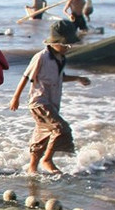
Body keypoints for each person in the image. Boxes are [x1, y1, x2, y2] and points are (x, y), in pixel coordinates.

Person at [8, 19, 91, 175]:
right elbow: (26, 76)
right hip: (39, 102)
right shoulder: (41, 57)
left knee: (43, 134)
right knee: (61, 128)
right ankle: (47, 159)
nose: (68, 48)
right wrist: (16, 97)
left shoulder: (61, 58)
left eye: (69, 45)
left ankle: (32, 168)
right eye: (65, 45)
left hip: (52, 103)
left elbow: (60, 77)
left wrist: (78, 78)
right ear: (54, 42)